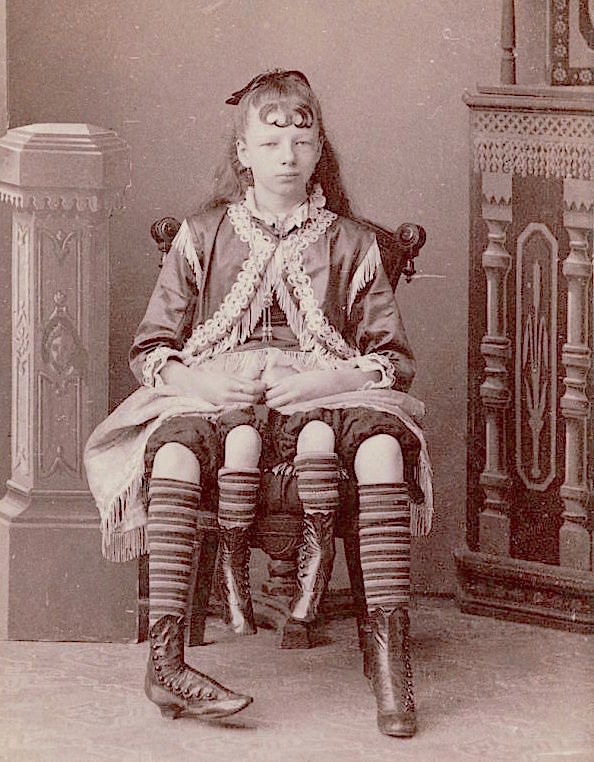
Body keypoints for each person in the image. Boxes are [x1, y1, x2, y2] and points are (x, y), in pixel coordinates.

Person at [84, 68, 432, 737]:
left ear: (318, 149)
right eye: (270, 143)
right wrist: (204, 385)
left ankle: (391, 659)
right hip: (223, 394)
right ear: (243, 152)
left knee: (385, 446)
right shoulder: (202, 235)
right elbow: (152, 347)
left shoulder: (350, 241)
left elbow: (391, 358)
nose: (287, 156)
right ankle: (166, 663)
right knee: (176, 455)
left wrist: (322, 383)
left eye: (301, 141)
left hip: (324, 392)